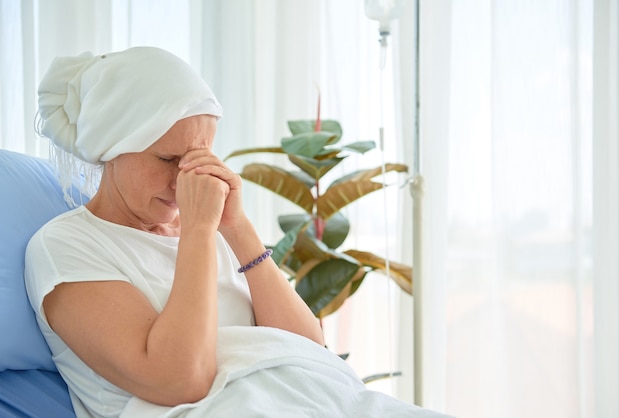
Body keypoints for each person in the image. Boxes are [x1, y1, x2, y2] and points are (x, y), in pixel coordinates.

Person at [25, 46, 452, 418]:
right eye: (168, 158)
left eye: (199, 157)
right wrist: (197, 230)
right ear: (110, 147)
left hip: (321, 399)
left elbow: (308, 349)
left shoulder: (213, 230)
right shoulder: (67, 246)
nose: (186, 178)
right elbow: (181, 381)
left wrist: (237, 227)